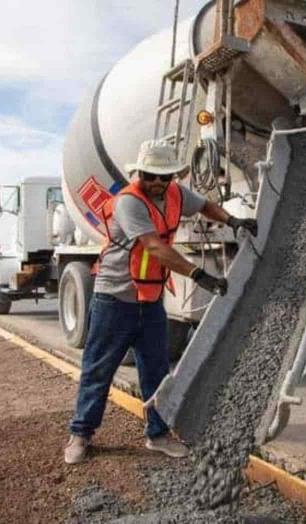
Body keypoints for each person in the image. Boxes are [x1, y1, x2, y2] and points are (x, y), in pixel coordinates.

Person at [65, 140, 257, 464]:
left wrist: (232, 221)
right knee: (99, 369)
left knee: (155, 371)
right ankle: (80, 434)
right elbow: (153, 247)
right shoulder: (129, 202)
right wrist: (198, 275)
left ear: (171, 177)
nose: (156, 182)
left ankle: (158, 435)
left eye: (162, 177)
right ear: (139, 172)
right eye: (149, 175)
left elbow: (205, 206)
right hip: (114, 300)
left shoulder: (176, 194)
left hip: (151, 300)